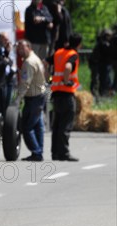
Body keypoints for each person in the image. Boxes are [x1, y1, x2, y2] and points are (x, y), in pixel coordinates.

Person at [49, 33, 82, 161]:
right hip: (67, 93)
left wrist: (49, 79)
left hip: (56, 92)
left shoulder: (59, 52)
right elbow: (68, 67)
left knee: (57, 125)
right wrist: (65, 80)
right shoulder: (73, 54)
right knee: (65, 125)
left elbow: (45, 62)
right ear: (78, 44)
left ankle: (55, 153)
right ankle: (64, 153)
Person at [15, 39, 47, 162]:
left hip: (34, 98)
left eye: (22, 48)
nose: (20, 50)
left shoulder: (29, 62)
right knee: (38, 126)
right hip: (39, 96)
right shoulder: (36, 58)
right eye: (18, 48)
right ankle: (38, 152)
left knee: (27, 127)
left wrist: (18, 99)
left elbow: (25, 83)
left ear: (29, 47)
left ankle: (36, 152)